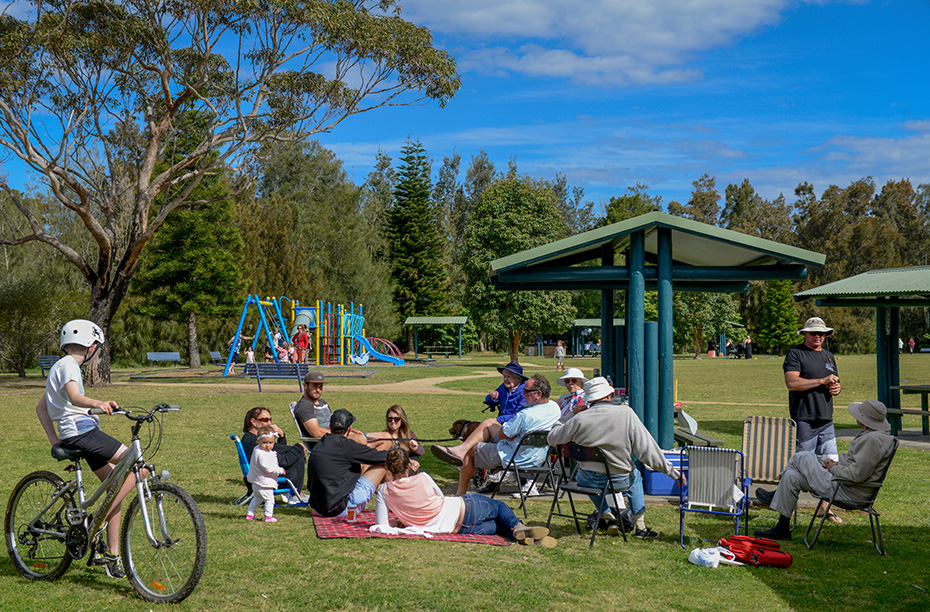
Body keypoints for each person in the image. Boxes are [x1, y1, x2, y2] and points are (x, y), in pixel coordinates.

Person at [35, 319, 144, 579]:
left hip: (78, 433)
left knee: (114, 487)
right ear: (92, 346)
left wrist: (55, 440)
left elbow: (43, 407)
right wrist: (98, 401)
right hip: (82, 433)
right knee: (140, 465)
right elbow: (74, 397)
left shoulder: (59, 367)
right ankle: (98, 516)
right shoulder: (70, 366)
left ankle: (110, 555)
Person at [547, 377, 685, 539]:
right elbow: (647, 451)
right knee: (636, 477)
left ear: (589, 399)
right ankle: (640, 526)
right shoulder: (626, 414)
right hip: (619, 479)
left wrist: (570, 414)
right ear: (609, 395)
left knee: (584, 474)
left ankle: (607, 514)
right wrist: (673, 473)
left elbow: (552, 438)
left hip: (588, 480)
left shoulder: (579, 418)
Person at [754, 399, 896, 541]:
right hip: (844, 486)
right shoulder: (878, 437)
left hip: (846, 491)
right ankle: (782, 529)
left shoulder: (872, 440)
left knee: (803, 456)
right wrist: (836, 465)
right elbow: (859, 467)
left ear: (863, 419)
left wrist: (833, 468)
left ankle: (776, 494)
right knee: (791, 476)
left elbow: (856, 475)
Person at [375, 448, 555, 546]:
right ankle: (518, 527)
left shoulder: (384, 491)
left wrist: (401, 521)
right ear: (409, 466)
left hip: (458, 529)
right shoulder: (422, 477)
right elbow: (440, 497)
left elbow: (381, 525)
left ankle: (525, 537)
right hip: (464, 508)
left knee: (499, 526)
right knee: (499, 507)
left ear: (389, 468)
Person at [433, 374, 561, 497]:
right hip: (539, 457)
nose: (523, 394)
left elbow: (501, 435)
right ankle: (461, 449)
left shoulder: (525, 415)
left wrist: (511, 433)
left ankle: (460, 493)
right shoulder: (554, 408)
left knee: (471, 451)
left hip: (515, 457)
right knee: (489, 423)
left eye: (526, 391)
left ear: (538, 394)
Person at [784, 317, 843, 522]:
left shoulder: (829, 356)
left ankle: (825, 508)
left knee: (830, 463)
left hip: (826, 417)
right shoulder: (796, 353)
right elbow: (792, 383)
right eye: (814, 333)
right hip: (805, 417)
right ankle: (786, 505)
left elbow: (833, 382)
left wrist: (836, 388)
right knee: (802, 465)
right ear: (805, 334)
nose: (818, 336)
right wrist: (821, 381)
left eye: (822, 333)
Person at [306, 409, 389, 517]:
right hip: (342, 510)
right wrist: (406, 454)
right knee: (385, 464)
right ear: (349, 428)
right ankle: (397, 504)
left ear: (330, 427)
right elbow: (383, 457)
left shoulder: (320, 444)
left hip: (320, 510)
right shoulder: (347, 446)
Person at [241, 407, 307, 504]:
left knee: (295, 453)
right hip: (264, 480)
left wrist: (281, 436)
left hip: (262, 477)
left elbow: (280, 452)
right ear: (253, 422)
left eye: (270, 420)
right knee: (297, 454)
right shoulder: (255, 442)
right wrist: (299, 449)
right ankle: (294, 494)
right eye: (265, 420)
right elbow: (283, 460)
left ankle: (295, 493)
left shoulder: (257, 439)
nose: (269, 423)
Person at [366, 405, 424, 472]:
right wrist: (409, 461)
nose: (393, 421)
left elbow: (422, 452)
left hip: (407, 469)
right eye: (390, 419)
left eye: (396, 419)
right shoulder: (384, 436)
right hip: (390, 468)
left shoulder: (409, 435)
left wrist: (415, 448)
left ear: (402, 420)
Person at [246, 426, 286, 522]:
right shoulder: (261, 454)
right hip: (264, 483)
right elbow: (267, 468)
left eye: (271, 442)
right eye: (264, 442)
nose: (268, 445)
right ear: (258, 441)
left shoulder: (258, 450)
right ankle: (268, 516)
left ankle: (250, 514)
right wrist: (280, 470)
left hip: (257, 482)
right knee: (269, 500)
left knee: (257, 499)